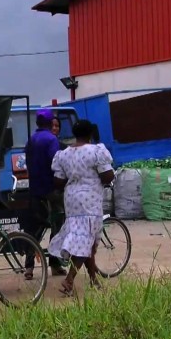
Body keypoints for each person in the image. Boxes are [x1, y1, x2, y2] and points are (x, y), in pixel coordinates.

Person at [48, 119, 115, 295]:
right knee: (86, 240)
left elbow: (58, 181)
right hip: (90, 201)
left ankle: (94, 280)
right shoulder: (96, 151)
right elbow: (108, 176)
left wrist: (74, 177)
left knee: (83, 238)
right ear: (90, 134)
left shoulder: (64, 154)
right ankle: (69, 280)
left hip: (71, 200)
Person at [23, 109, 66, 277]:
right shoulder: (51, 140)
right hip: (51, 190)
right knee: (59, 221)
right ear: (49, 124)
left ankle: (29, 267)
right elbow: (56, 165)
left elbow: (27, 162)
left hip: (34, 189)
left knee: (34, 228)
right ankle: (55, 263)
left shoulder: (31, 140)